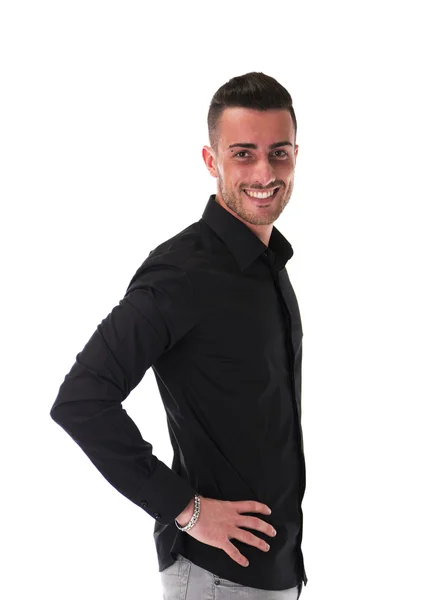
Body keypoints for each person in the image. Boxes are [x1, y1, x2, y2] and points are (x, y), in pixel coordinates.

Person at [50, 71, 307, 599]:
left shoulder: (267, 262)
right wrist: (186, 511)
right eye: (243, 153)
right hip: (216, 577)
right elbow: (82, 398)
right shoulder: (182, 273)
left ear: (296, 156)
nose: (264, 171)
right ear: (211, 161)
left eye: (278, 153)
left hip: (272, 571)